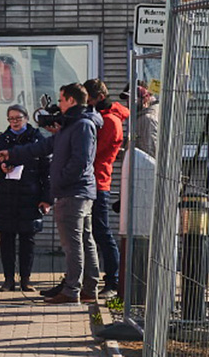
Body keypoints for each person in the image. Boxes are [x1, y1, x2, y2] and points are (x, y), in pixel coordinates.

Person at [1, 83, 100, 304]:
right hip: (77, 191)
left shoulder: (81, 125)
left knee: (73, 244)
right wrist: (12, 153)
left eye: (62, 99)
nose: (59, 104)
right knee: (84, 240)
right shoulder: (71, 125)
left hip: (73, 193)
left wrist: (60, 182)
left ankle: (73, 290)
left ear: (72, 101)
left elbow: (80, 162)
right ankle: (88, 289)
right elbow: (43, 147)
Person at [0, 105, 50, 292]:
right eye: (11, 119)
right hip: (5, 196)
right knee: (5, 239)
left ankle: (26, 280)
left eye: (18, 118)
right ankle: (8, 279)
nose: (14, 122)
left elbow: (47, 172)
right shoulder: (0, 141)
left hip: (30, 196)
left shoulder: (37, 140)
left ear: (26, 118)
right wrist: (0, 169)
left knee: (27, 240)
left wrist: (47, 198)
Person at [86, 78, 129, 295]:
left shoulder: (110, 121)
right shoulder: (101, 118)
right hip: (91, 181)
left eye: (88, 100)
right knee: (87, 233)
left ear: (99, 98)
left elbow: (94, 152)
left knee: (102, 232)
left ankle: (113, 281)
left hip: (98, 181)